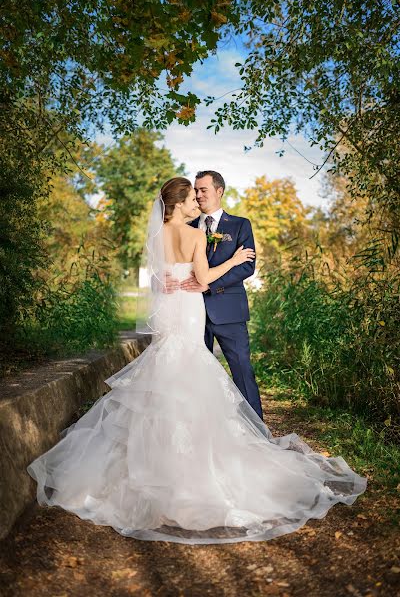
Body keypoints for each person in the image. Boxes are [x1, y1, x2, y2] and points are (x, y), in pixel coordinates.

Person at [27, 177, 367, 545]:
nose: (196, 200)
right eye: (191, 196)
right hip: (190, 311)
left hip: (173, 313)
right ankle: (198, 462)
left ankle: (155, 462)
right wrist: (234, 258)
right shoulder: (194, 234)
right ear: (178, 203)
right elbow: (203, 278)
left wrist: (172, 283)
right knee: (193, 370)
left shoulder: (157, 235)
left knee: (167, 373)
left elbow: (159, 281)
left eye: (200, 193)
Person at [164, 170, 264, 421]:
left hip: (228, 311)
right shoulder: (185, 226)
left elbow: (246, 266)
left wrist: (208, 286)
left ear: (219, 191)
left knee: (242, 369)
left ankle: (257, 430)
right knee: (195, 376)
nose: (197, 195)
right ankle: (201, 429)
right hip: (190, 312)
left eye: (203, 190)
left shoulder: (240, 225)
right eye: (195, 191)